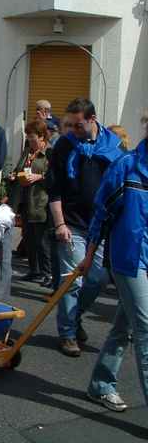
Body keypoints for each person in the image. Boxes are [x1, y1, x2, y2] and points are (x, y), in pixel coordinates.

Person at [79, 120, 148, 412]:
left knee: (125, 325)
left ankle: (100, 385)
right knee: (145, 328)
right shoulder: (127, 167)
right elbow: (102, 213)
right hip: (129, 259)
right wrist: (89, 253)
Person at [48, 97, 123, 357]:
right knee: (72, 280)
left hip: (100, 227)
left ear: (92, 120)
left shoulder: (113, 147)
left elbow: (120, 186)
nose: (72, 130)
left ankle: (75, 315)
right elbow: (54, 189)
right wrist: (60, 223)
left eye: (77, 125)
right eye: (69, 125)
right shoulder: (64, 146)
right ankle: (68, 333)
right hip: (71, 224)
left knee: (99, 278)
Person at [11, 119, 53, 286]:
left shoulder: (49, 153)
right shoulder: (27, 151)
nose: (29, 140)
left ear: (42, 137)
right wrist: (15, 175)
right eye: (28, 136)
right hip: (25, 200)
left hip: (40, 201)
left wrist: (39, 177)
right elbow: (19, 168)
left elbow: (53, 176)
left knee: (42, 241)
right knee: (28, 238)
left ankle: (47, 273)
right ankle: (34, 270)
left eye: (32, 137)